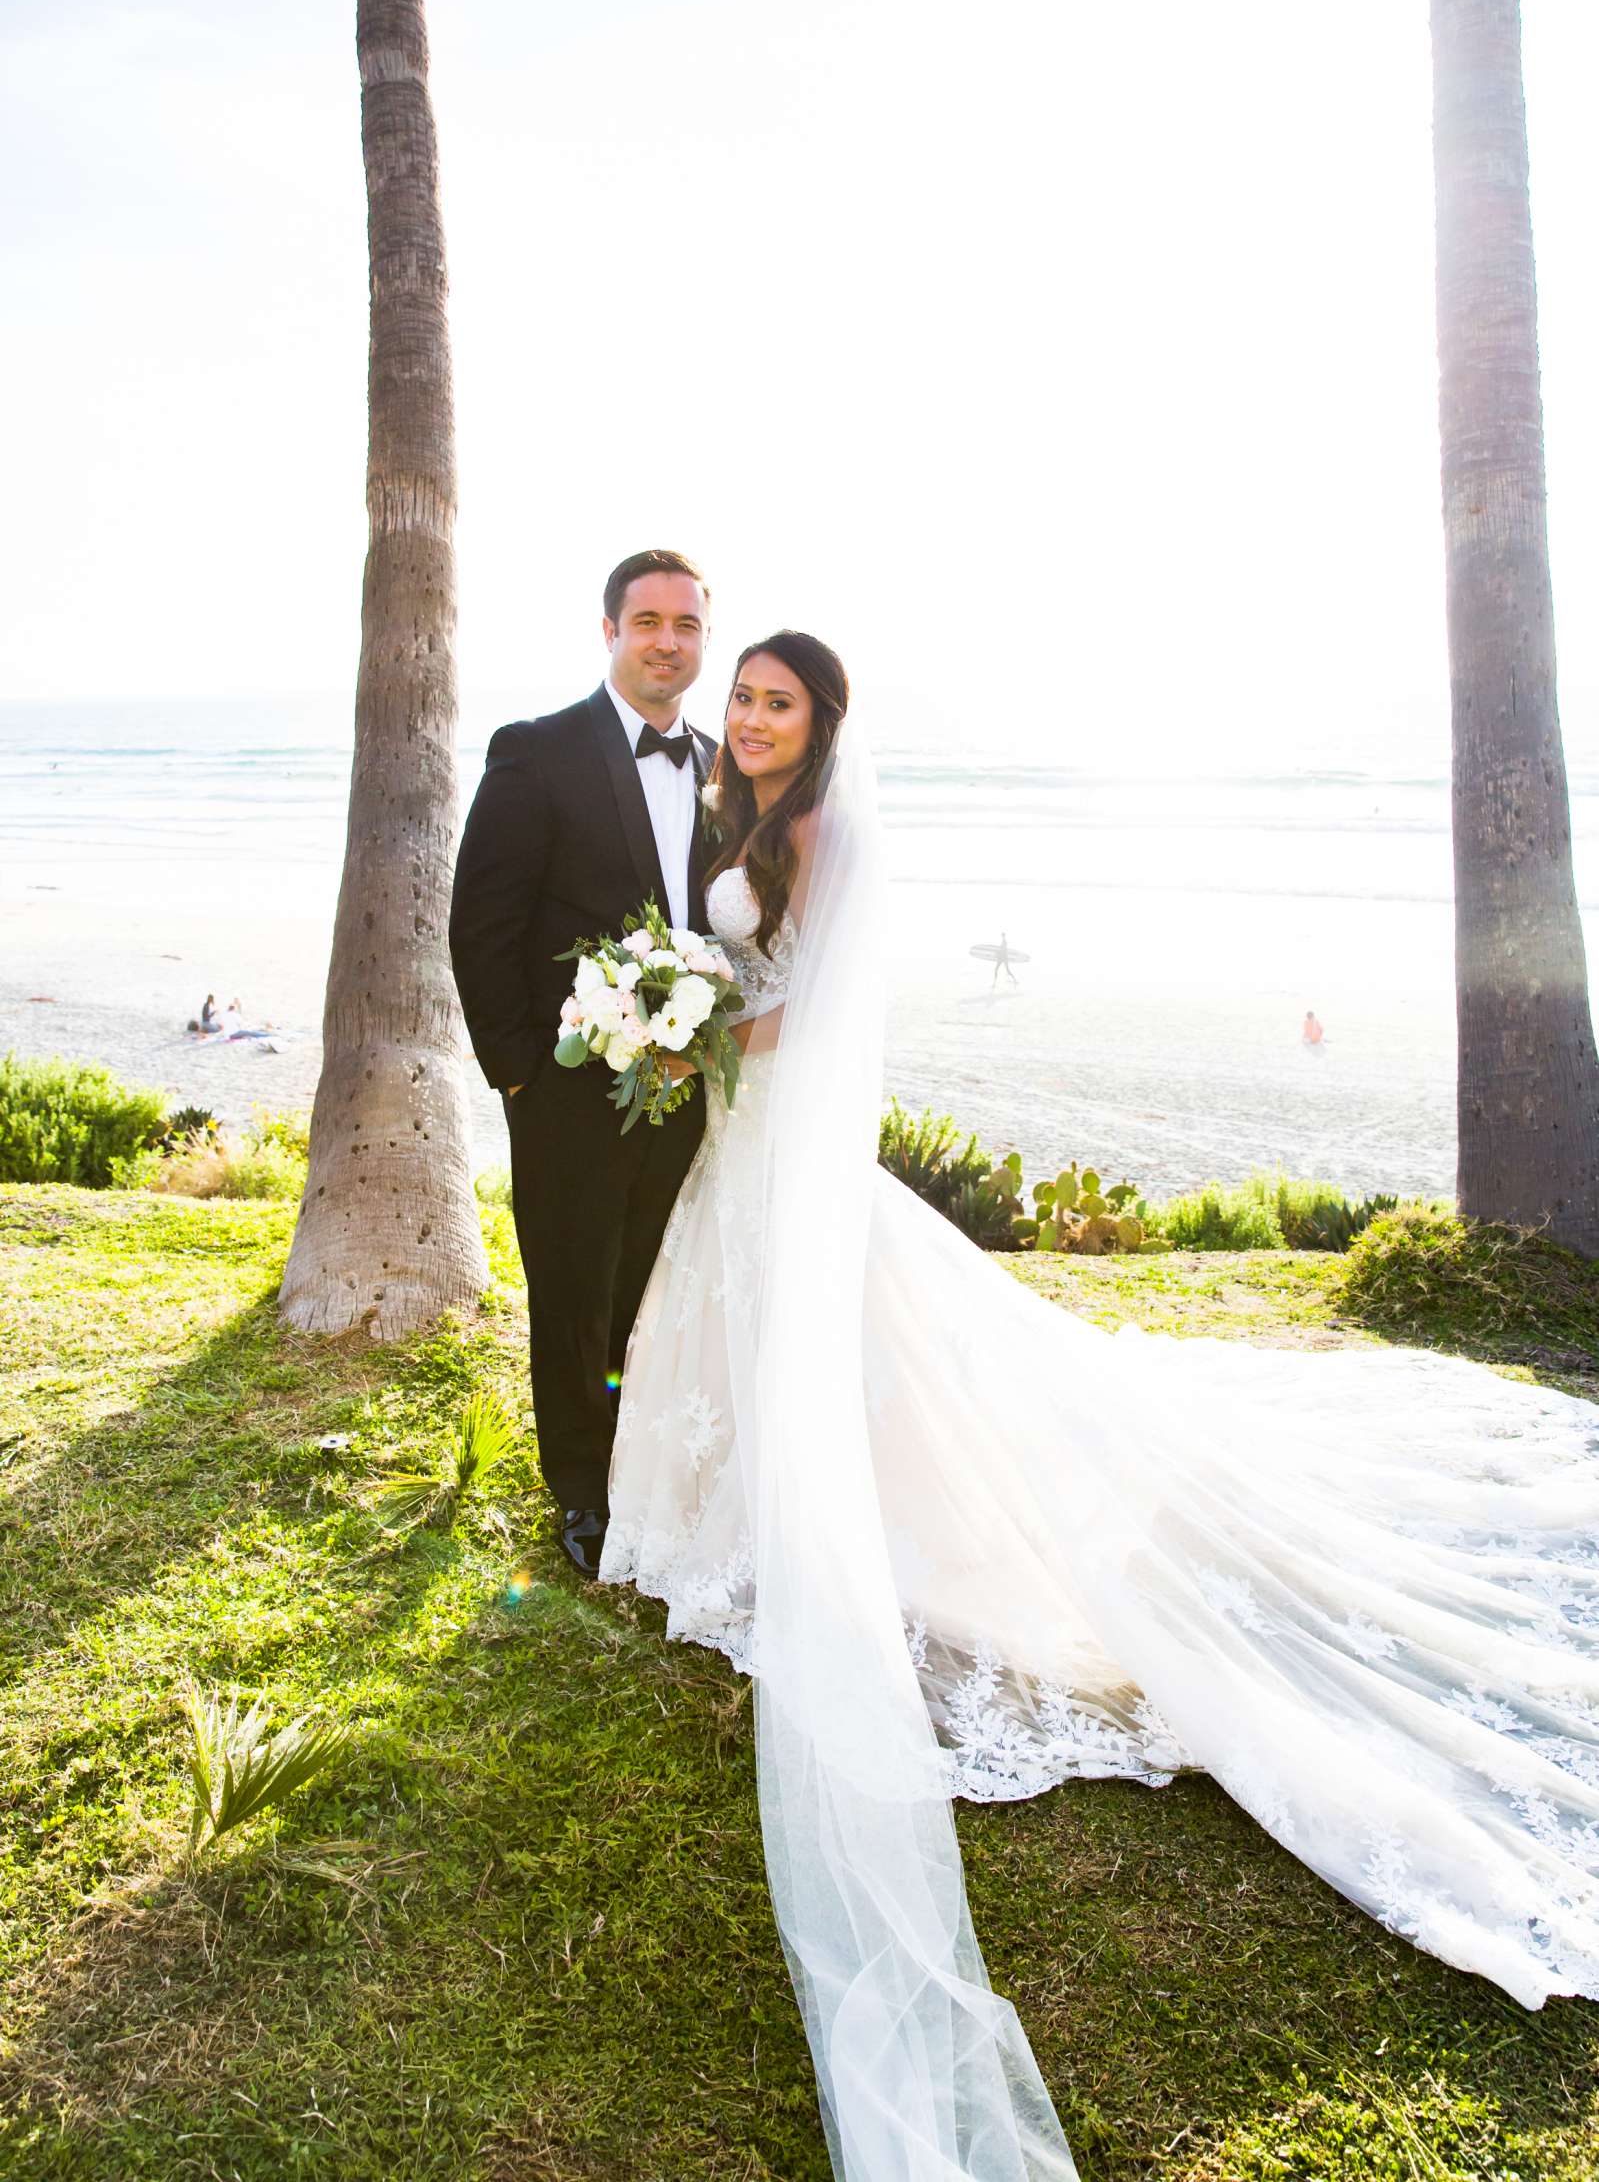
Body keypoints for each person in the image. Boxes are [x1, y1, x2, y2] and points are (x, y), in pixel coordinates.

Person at [601, 630, 1599, 2182]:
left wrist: (688, 1021)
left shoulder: (822, 831)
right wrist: (676, 1012)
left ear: (821, 721)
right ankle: (737, 1501)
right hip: (738, 1136)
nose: (744, 716)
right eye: (739, 697)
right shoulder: (736, 818)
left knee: (841, 1332)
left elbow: (817, 1005)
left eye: (772, 701)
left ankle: (859, 1518)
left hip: (782, 1124)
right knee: (760, 1330)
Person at [448, 550, 718, 1583]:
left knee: (657, 1290)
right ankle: (581, 1493)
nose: (666, 641)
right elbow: (483, 922)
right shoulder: (539, 752)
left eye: (685, 625)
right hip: (567, 1095)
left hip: (689, 1096)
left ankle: (648, 1473)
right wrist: (519, 1073)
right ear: (609, 632)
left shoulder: (716, 763)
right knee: (573, 1295)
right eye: (646, 621)